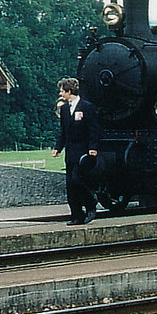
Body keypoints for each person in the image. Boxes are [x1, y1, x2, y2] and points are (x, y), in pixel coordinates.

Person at [50, 77, 101, 225]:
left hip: (83, 151)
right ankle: (77, 215)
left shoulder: (87, 107)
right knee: (70, 186)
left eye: (62, 91)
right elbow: (63, 131)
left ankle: (91, 203)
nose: (60, 93)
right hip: (70, 152)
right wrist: (58, 147)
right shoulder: (64, 109)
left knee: (77, 180)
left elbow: (93, 129)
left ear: (69, 91)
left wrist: (93, 147)